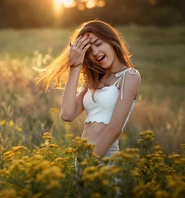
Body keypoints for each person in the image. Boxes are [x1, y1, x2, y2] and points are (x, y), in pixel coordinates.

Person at [37, 20, 141, 163]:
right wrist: (76, 65)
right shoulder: (94, 81)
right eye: (89, 51)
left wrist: (89, 163)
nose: (95, 53)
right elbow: (67, 114)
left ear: (111, 40)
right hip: (83, 157)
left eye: (98, 44)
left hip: (104, 159)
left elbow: (114, 130)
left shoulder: (130, 76)